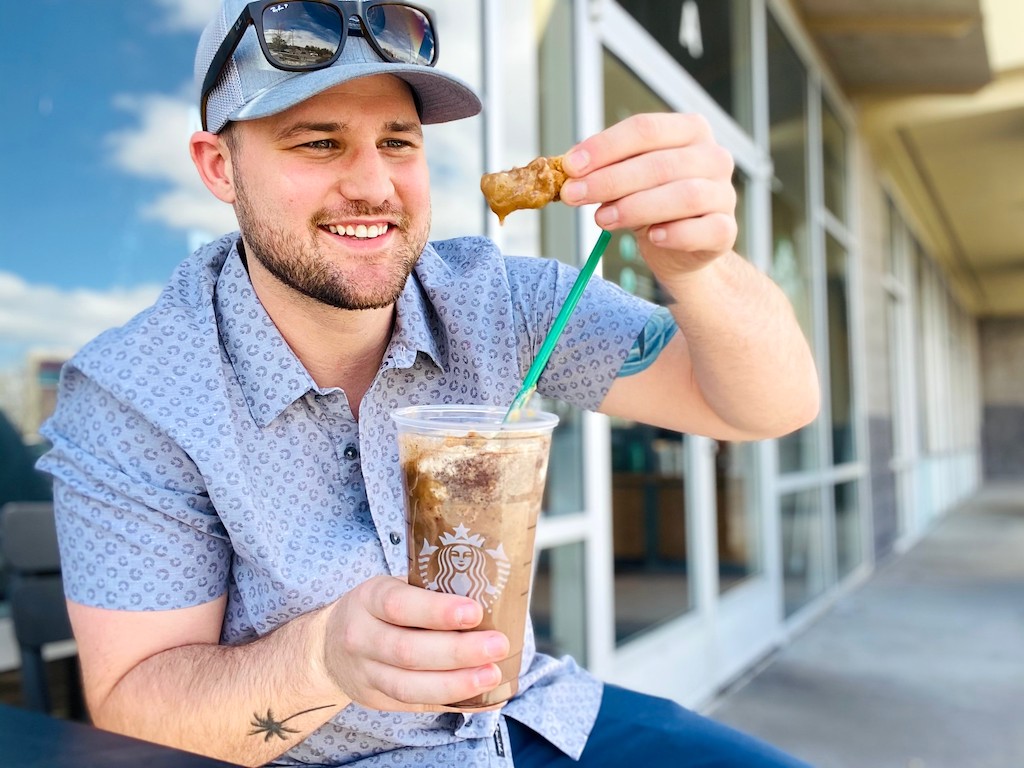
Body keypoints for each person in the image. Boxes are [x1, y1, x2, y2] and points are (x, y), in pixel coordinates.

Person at [37, 1, 820, 766]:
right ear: (219, 166)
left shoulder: (496, 300)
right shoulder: (137, 393)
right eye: (318, 143)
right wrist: (324, 659)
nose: (374, 186)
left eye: (399, 142)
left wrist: (701, 268)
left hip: (525, 717)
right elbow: (133, 707)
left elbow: (768, 406)